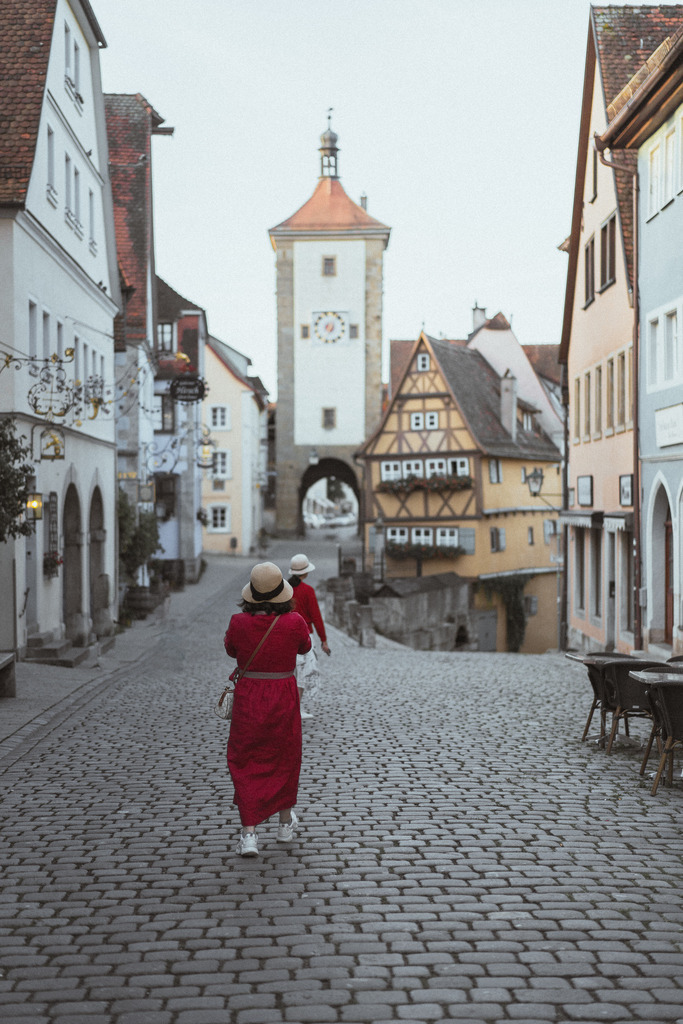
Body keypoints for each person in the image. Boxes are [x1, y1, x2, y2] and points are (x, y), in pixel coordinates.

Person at [224, 562, 311, 857]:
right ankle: (285, 823)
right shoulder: (295, 621)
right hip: (283, 696)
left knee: (245, 759)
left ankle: (249, 835)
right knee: (285, 757)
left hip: (250, 697)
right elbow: (304, 646)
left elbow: (231, 650)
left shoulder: (238, 622)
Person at [287, 553, 331, 719]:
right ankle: (296, 709)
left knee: (288, 672)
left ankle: (287, 708)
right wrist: (324, 640)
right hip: (305, 635)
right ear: (305, 573)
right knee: (303, 673)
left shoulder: (285, 589)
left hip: (285, 634)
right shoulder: (308, 591)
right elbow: (316, 617)